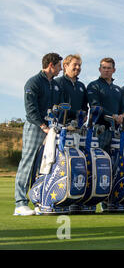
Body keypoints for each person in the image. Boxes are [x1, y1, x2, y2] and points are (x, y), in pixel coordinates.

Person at [14, 53, 63, 216]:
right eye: (59, 66)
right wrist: (43, 126)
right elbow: (30, 109)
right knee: (28, 163)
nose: (61, 69)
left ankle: (37, 200)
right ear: (51, 65)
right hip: (36, 127)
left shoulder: (55, 85)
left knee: (42, 166)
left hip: (51, 129)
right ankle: (20, 203)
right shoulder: (34, 82)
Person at [87, 57, 124, 150]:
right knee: (99, 160)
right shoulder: (93, 85)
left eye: (109, 68)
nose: (106, 70)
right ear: (99, 69)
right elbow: (95, 106)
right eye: (104, 68)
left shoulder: (118, 89)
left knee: (115, 160)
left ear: (114, 70)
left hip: (116, 130)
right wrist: (113, 116)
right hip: (100, 129)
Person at [55, 54, 88, 121]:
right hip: (61, 125)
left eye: (79, 65)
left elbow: (85, 105)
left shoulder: (81, 85)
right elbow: (58, 106)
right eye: (75, 64)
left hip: (78, 126)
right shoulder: (57, 83)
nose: (78, 67)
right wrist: (77, 113)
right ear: (65, 66)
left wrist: (84, 115)